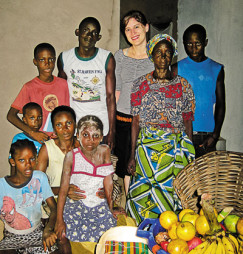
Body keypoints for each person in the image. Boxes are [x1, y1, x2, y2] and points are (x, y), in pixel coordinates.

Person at [126, 34, 195, 225]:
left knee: (171, 198)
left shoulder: (183, 85)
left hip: (174, 152)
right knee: (141, 196)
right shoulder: (140, 84)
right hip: (147, 151)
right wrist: (132, 155)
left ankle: (167, 239)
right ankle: (140, 237)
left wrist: (190, 157)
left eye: (167, 53)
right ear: (152, 56)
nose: (163, 57)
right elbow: (135, 121)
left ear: (172, 55)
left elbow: (188, 121)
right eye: (159, 53)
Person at [55, 115, 118, 254]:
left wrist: (111, 207)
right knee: (68, 233)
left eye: (96, 135)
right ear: (78, 135)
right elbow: (63, 190)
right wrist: (59, 220)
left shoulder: (105, 151)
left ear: (102, 137)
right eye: (85, 135)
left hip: (98, 204)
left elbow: (108, 182)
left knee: (109, 235)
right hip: (77, 204)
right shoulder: (72, 156)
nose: (91, 140)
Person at [0, 139, 62, 254]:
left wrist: (48, 230)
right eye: (22, 160)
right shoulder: (2, 186)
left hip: (37, 234)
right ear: (12, 162)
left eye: (32, 159)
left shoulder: (40, 178)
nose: (28, 165)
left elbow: (54, 208)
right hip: (12, 236)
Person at [57, 17, 116, 150]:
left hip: (101, 129)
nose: (90, 36)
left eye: (94, 33)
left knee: (99, 169)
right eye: (86, 31)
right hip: (75, 129)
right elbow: (61, 94)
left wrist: (112, 131)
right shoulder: (65, 58)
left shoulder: (106, 58)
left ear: (99, 37)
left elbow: (111, 97)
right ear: (77, 32)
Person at [114, 10, 154, 197]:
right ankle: (130, 205)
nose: (133, 32)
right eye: (128, 29)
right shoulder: (119, 56)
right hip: (123, 119)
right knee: (124, 167)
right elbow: (116, 91)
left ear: (146, 27)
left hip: (147, 122)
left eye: (136, 26)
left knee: (144, 163)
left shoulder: (158, 57)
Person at [172, 24, 225, 158]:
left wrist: (215, 135)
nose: (193, 48)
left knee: (206, 177)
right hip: (182, 133)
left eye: (198, 43)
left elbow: (220, 104)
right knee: (184, 177)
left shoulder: (216, 69)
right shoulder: (176, 69)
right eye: (189, 44)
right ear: (183, 44)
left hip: (207, 136)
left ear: (205, 43)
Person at [7, 43, 70, 143]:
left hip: (60, 141)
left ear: (54, 60)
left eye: (51, 59)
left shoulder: (64, 84)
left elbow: (69, 112)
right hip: (39, 142)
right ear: (35, 62)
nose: (47, 63)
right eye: (42, 59)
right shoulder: (29, 87)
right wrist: (32, 133)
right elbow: (11, 116)